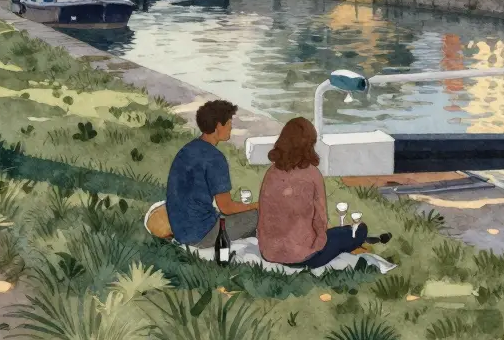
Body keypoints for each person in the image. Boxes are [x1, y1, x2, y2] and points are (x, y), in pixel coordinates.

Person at [257, 117, 391, 268]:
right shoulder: (312, 174)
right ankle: (358, 241)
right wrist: (319, 244)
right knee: (358, 230)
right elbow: (320, 221)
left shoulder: (271, 173)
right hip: (305, 257)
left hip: (269, 253)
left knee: (337, 234)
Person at [165, 99, 259, 248]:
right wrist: (256, 205)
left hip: (181, 231)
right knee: (257, 216)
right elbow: (226, 208)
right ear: (218, 126)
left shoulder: (187, 149)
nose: (231, 127)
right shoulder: (215, 158)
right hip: (203, 234)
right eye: (228, 123)